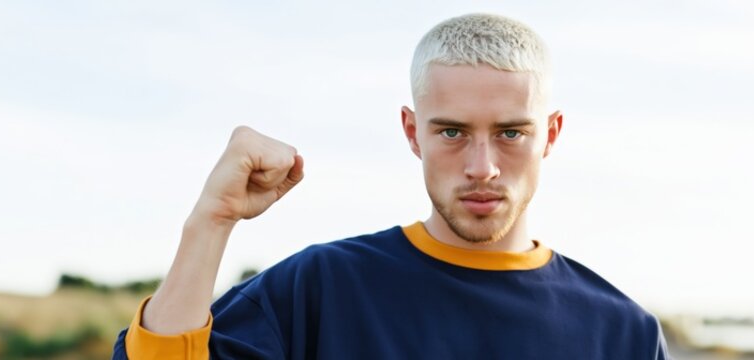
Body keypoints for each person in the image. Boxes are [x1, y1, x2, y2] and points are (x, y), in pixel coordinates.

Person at [112, 13, 669, 359]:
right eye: (451, 131)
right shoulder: (322, 289)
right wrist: (210, 222)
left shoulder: (621, 334)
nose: (482, 167)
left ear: (549, 134)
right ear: (412, 132)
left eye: (510, 133)